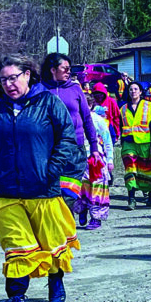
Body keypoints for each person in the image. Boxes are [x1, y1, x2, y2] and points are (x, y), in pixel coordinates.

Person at [0, 56, 84, 302]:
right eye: (3, 79)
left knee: (51, 242)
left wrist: (51, 171)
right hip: (7, 193)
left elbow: (66, 138)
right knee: (17, 248)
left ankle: (55, 277)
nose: (9, 84)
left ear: (27, 74)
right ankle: (16, 299)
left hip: (43, 190)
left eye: (13, 77)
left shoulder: (49, 102)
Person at [40, 53, 99, 204]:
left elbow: (87, 119)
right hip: (49, 150)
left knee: (69, 193)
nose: (68, 72)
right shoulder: (40, 90)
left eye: (69, 69)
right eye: (65, 69)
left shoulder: (75, 89)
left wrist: (94, 147)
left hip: (75, 149)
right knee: (52, 192)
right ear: (53, 70)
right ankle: (59, 224)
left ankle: (66, 222)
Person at [76, 95, 114, 230]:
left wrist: (110, 159)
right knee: (80, 188)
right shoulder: (74, 120)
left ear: (90, 106)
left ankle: (96, 218)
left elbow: (107, 140)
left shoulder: (98, 120)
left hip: (95, 160)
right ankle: (82, 210)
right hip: (78, 159)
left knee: (96, 189)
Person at [120, 81, 151, 210]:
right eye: (131, 89)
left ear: (141, 92)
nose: (133, 92)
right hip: (129, 143)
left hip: (146, 143)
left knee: (148, 172)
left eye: (136, 89)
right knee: (130, 169)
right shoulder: (123, 108)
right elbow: (121, 126)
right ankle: (131, 198)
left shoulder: (150, 106)